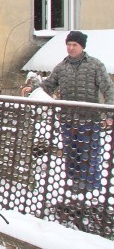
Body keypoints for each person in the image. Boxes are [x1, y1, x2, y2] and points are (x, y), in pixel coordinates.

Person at [36, 30, 114, 192]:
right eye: (69, 45)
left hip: (89, 121)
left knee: (89, 158)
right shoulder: (61, 67)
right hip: (68, 121)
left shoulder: (94, 65)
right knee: (71, 158)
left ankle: (92, 192)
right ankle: (74, 190)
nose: (71, 48)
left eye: (74, 45)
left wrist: (109, 115)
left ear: (82, 47)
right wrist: (33, 90)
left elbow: (109, 90)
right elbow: (48, 86)